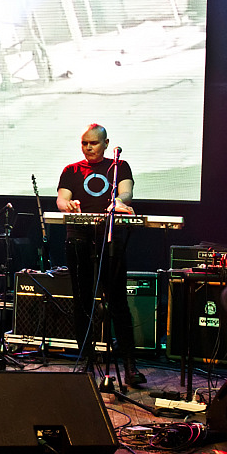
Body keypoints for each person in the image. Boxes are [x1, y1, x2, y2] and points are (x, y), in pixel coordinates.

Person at [56, 123, 146, 385]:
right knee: (82, 299)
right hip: (78, 236)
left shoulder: (119, 167)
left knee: (117, 299)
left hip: (110, 236)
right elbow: (61, 199)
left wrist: (120, 201)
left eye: (93, 143)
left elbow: (126, 192)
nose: (88, 148)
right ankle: (86, 360)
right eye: (84, 143)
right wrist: (67, 205)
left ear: (106, 144)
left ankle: (130, 366)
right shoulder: (70, 170)